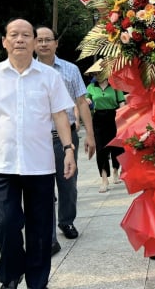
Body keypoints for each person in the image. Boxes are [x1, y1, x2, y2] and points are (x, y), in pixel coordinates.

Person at [0, 18, 76, 289]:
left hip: (40, 165)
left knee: (40, 229)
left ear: (33, 42)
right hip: (2, 165)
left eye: (26, 35)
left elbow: (60, 115)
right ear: (4, 41)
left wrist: (68, 148)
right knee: (6, 223)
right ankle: (11, 274)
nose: (20, 39)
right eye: (14, 35)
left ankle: (37, 282)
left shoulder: (50, 76)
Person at [35, 26, 96, 256]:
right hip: (38, 139)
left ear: (56, 43)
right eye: (39, 40)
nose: (43, 44)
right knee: (42, 189)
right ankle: (48, 236)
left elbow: (82, 103)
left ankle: (66, 220)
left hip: (66, 138)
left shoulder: (70, 70)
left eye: (47, 40)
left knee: (68, 185)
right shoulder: (27, 71)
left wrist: (90, 135)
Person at [84, 59, 126, 192]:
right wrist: (87, 99)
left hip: (113, 117)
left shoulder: (115, 86)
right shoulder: (91, 87)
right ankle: (104, 179)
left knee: (116, 147)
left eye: (100, 72)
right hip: (98, 119)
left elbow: (121, 102)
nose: (98, 75)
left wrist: (123, 119)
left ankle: (115, 171)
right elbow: (84, 100)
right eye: (95, 73)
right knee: (101, 149)